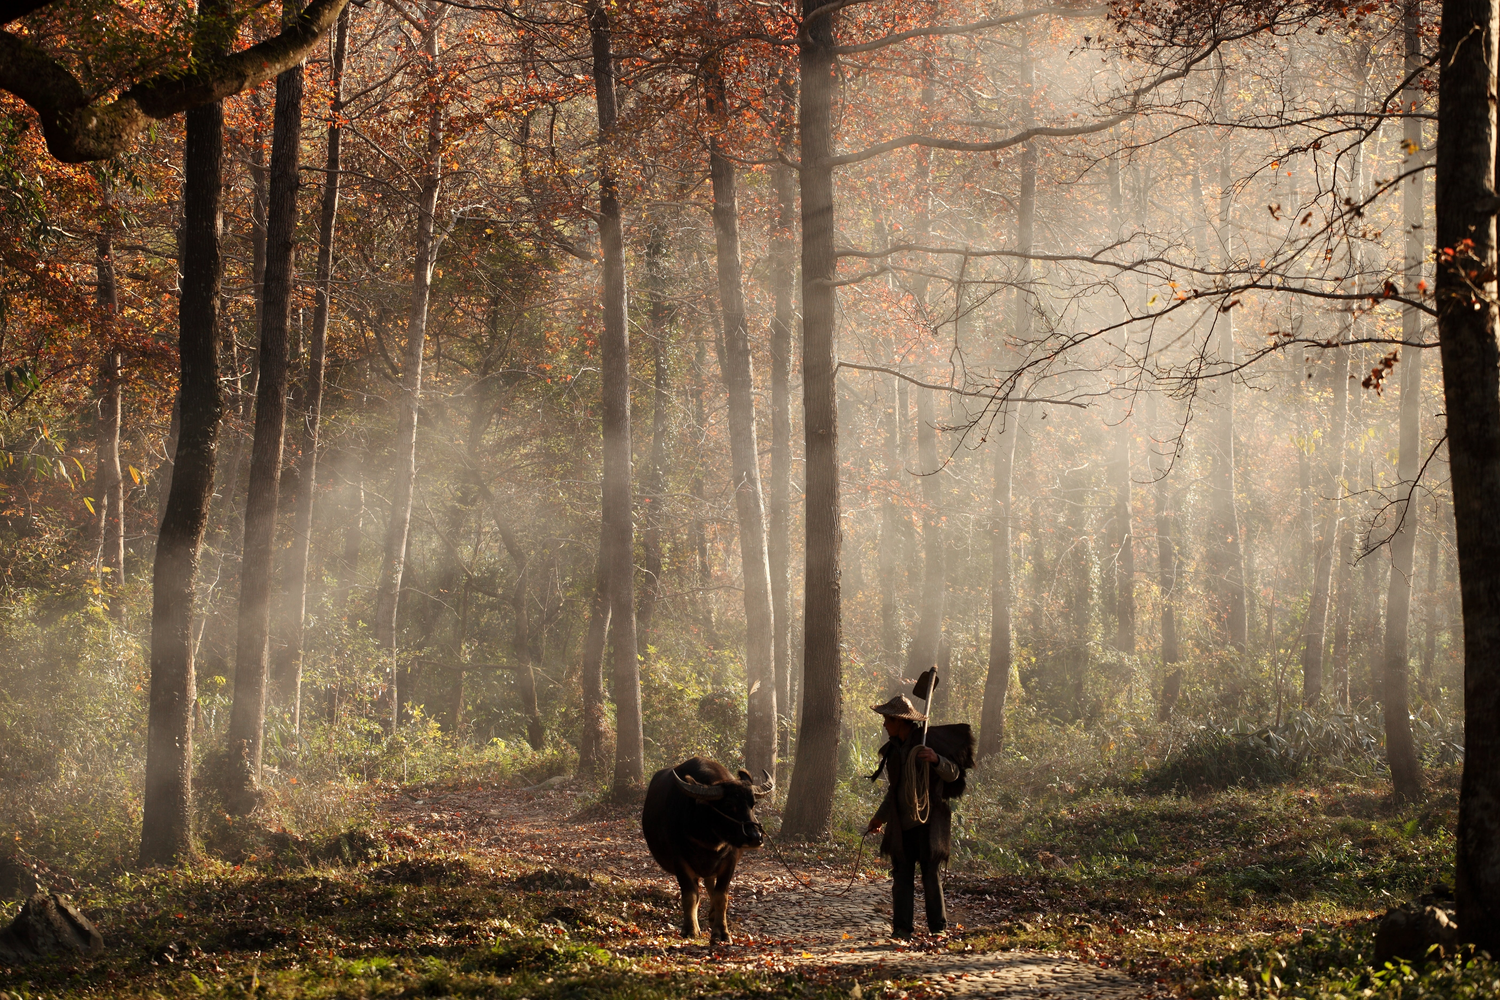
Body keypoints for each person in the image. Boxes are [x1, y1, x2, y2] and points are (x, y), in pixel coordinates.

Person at [864, 694, 962, 939]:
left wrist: (936, 759)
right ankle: (902, 928)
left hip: (929, 821)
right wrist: (879, 818)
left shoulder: (928, 743)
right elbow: (894, 790)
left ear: (899, 721)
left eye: (887, 720)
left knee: (930, 874)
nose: (884, 724)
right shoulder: (893, 750)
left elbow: (954, 773)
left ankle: (938, 928)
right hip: (902, 823)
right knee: (902, 875)